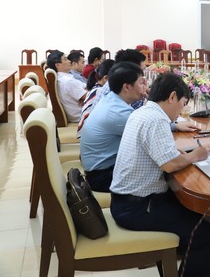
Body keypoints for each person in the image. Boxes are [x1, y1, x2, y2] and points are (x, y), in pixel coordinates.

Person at [110, 72, 210, 277]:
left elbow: (161, 154)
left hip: (127, 202)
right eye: (183, 104)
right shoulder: (157, 119)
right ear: (172, 96)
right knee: (205, 233)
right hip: (137, 208)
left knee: (195, 212)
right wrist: (197, 154)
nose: (181, 110)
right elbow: (169, 165)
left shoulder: (142, 112)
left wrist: (179, 153)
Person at [80, 62, 146, 191]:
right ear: (127, 87)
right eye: (141, 83)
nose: (144, 87)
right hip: (103, 176)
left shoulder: (111, 98)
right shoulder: (118, 113)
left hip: (99, 169)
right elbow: (150, 132)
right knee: (162, 170)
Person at [46, 50, 87, 123]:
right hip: (83, 114)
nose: (69, 61)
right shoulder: (68, 81)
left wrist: (84, 94)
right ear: (58, 65)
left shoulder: (64, 77)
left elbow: (85, 87)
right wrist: (85, 95)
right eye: (65, 59)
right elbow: (88, 96)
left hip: (81, 111)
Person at [77, 59, 115, 136]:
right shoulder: (101, 92)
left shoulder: (96, 88)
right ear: (106, 78)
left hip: (86, 131)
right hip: (88, 133)